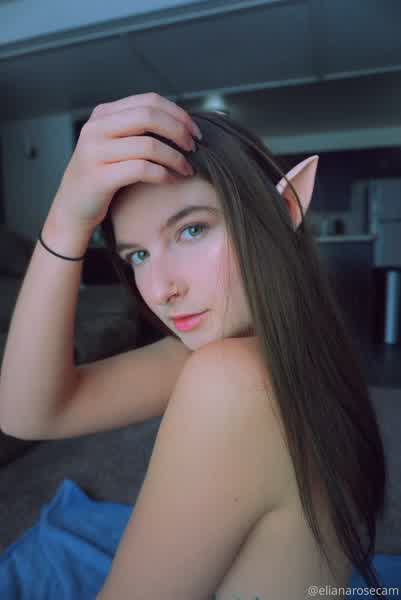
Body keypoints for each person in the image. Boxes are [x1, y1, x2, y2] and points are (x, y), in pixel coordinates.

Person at [0, 92, 386, 599]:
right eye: (138, 256)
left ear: (284, 208)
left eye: (192, 230)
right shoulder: (282, 346)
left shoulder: (228, 380)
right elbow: (27, 414)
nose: (161, 289)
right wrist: (66, 221)